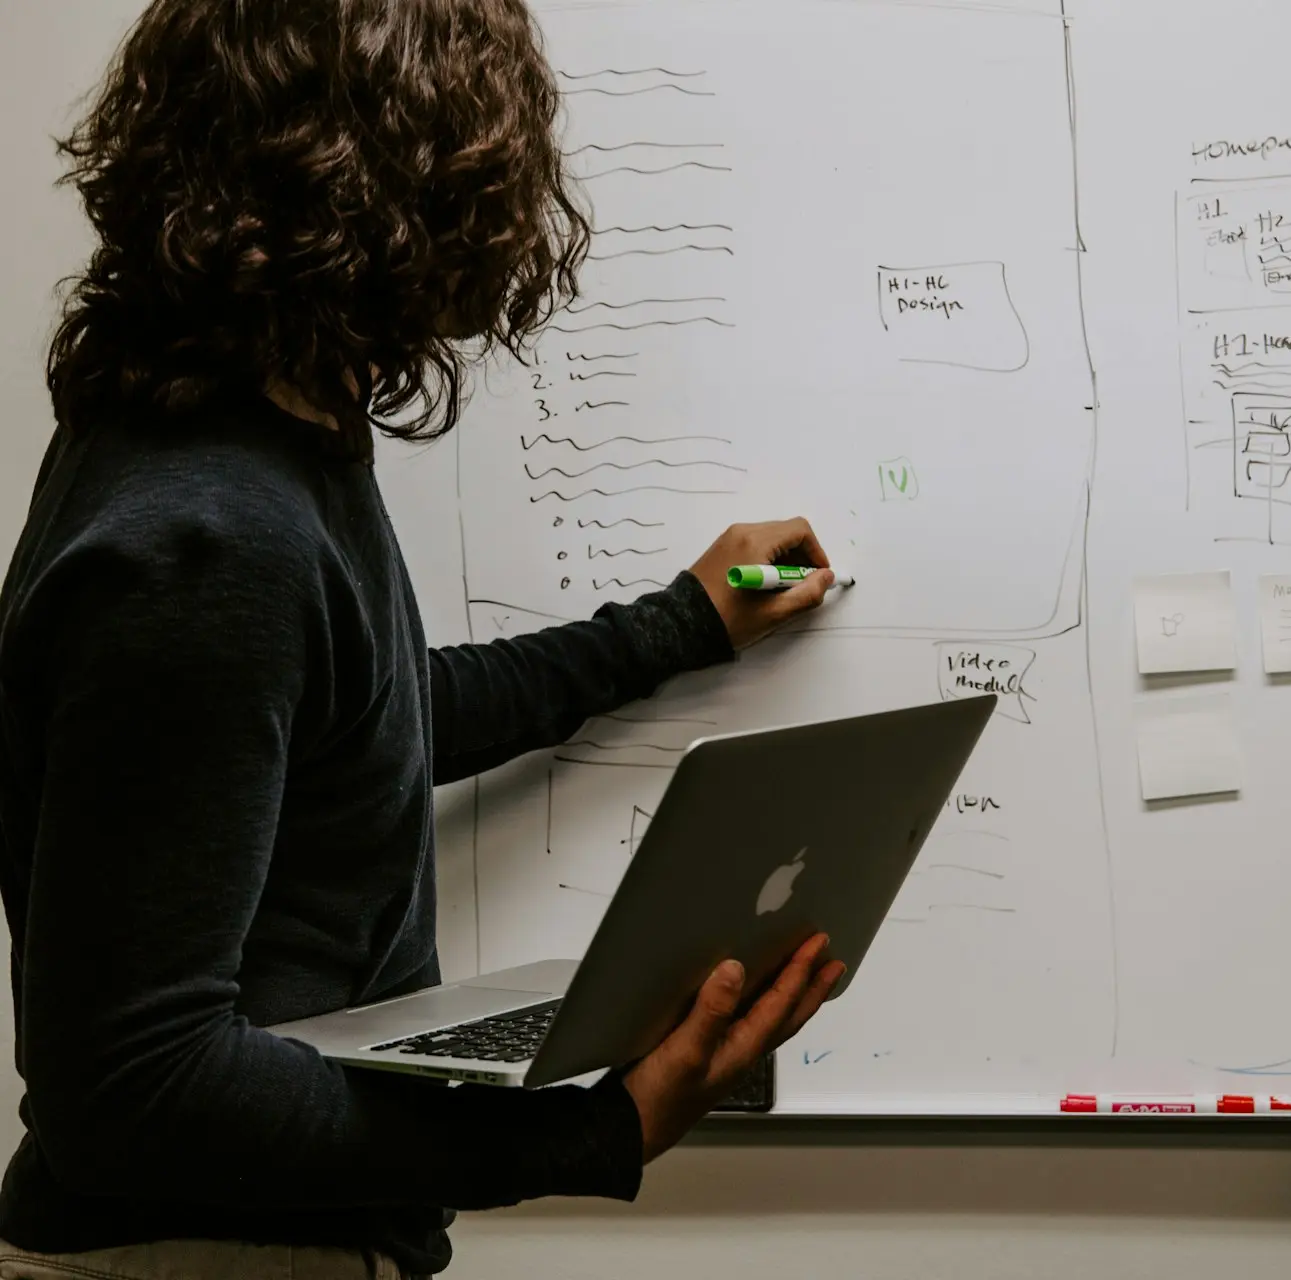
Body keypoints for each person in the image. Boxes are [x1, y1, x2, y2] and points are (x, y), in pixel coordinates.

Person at [0, 1, 846, 1276]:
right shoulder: (207, 534)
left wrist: (682, 621)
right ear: (418, 191)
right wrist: (591, 1135)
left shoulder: (258, 441)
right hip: (199, 1256)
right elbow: (132, 1091)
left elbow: (363, 725)